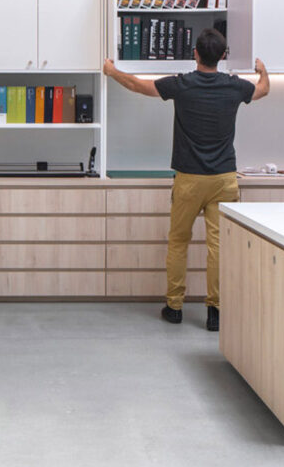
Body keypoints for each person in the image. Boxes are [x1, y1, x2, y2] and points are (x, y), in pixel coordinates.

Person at [103, 29, 269, 331]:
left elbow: (139, 86)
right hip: (224, 179)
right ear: (222, 56)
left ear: (195, 53)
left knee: (179, 241)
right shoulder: (234, 87)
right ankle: (215, 311)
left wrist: (112, 71)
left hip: (189, 178)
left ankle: (175, 306)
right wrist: (262, 70)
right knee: (218, 246)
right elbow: (263, 90)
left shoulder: (182, 84)